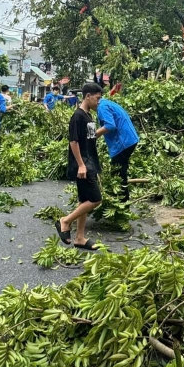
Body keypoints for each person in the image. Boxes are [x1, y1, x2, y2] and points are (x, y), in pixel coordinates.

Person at [55, 83, 103, 251]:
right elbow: (73, 141)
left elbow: (91, 138)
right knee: (95, 199)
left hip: (90, 162)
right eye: (97, 98)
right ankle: (65, 221)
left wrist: (108, 128)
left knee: (84, 200)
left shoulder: (88, 116)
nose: (99, 102)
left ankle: (80, 238)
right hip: (83, 165)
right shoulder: (78, 116)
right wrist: (82, 165)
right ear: (87, 96)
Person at [95, 92, 140, 202]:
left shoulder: (101, 107)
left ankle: (122, 202)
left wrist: (92, 136)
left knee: (118, 174)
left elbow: (110, 125)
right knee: (119, 171)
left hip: (123, 142)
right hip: (129, 139)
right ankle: (121, 200)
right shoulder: (106, 104)